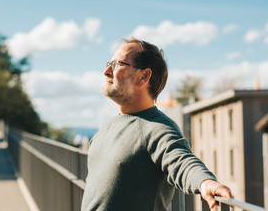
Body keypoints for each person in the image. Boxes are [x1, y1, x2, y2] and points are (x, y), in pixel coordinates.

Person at [81, 37, 232, 211]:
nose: (107, 71)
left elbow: (181, 160)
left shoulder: (157, 128)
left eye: (117, 64)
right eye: (109, 64)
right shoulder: (106, 128)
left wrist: (205, 181)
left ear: (143, 76)